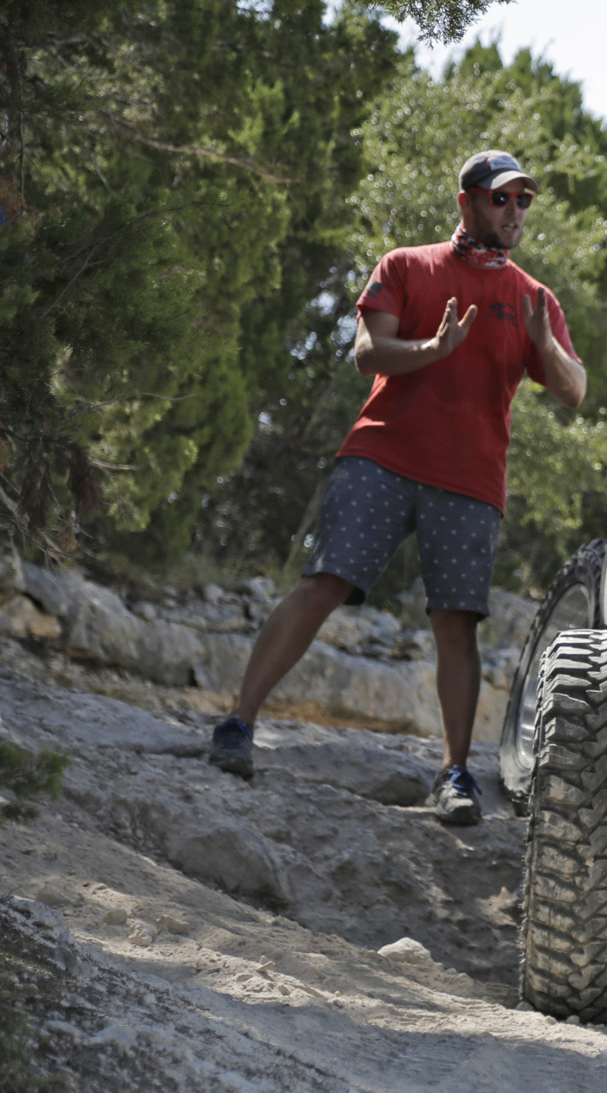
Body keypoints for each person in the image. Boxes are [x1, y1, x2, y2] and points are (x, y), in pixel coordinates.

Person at [206, 150, 587, 825]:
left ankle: (454, 773)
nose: (515, 211)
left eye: (524, 200)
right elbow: (365, 352)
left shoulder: (534, 299)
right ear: (466, 202)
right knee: (323, 583)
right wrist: (430, 351)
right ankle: (239, 722)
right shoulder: (407, 266)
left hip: (470, 479)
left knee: (455, 625)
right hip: (381, 456)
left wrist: (546, 345)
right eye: (502, 199)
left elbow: (574, 391)